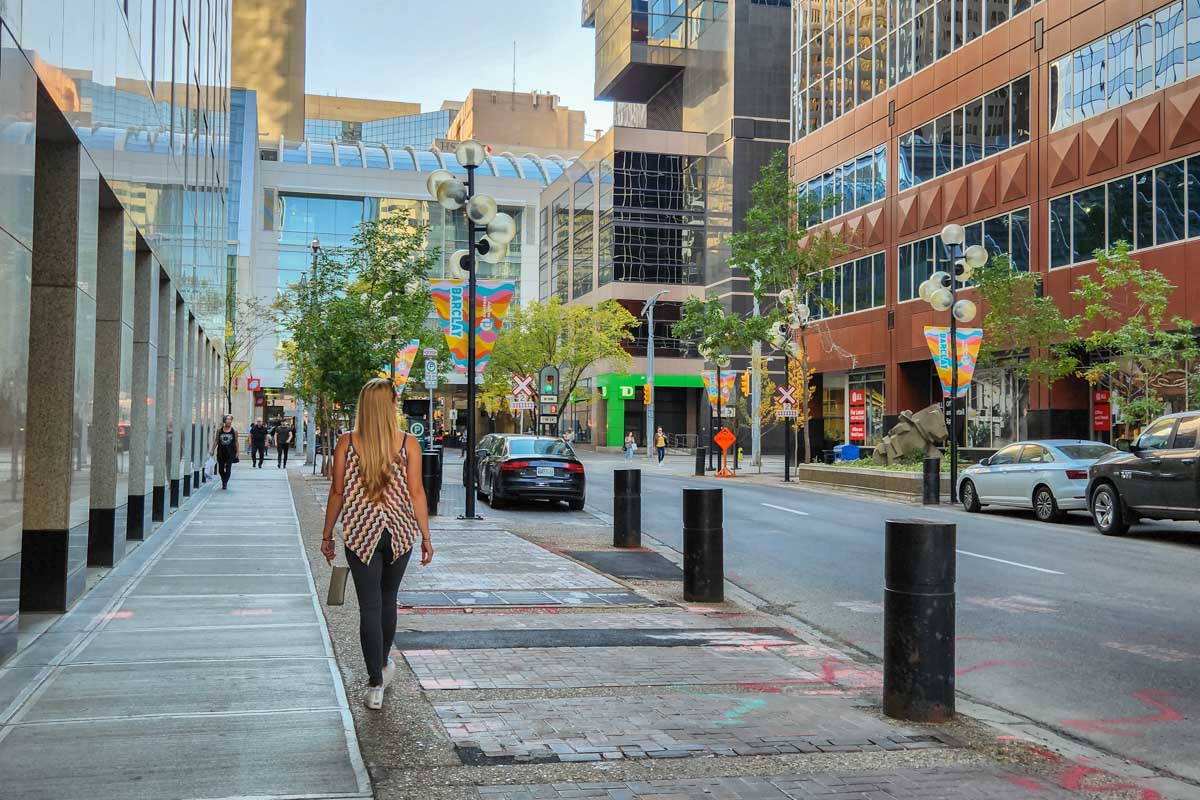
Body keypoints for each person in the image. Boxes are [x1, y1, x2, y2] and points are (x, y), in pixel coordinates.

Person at [320, 378, 434, 710]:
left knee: (369, 606)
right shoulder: (408, 443)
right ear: (390, 406)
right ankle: (383, 664)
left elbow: (337, 492)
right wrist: (425, 536)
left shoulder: (346, 443)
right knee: (389, 600)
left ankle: (375, 684)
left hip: (360, 532)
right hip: (399, 531)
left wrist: (327, 534)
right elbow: (417, 492)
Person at [211, 415, 239, 489]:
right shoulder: (219, 430)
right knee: (220, 469)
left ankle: (225, 482)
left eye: (230, 420)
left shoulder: (234, 431)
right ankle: (224, 479)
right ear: (224, 421)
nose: (229, 421)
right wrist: (212, 450)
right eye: (227, 419)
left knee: (228, 468)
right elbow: (216, 440)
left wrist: (237, 452)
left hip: (230, 453)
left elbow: (236, 442)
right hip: (221, 452)